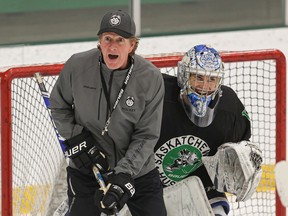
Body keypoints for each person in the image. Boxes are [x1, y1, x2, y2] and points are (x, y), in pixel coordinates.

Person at [50, 10, 167, 216]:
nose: (112, 46)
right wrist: (77, 138)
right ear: (99, 42)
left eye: (120, 40)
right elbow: (59, 106)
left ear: (132, 45)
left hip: (137, 172)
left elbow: (147, 134)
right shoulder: (77, 66)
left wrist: (123, 175)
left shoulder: (150, 78)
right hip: (86, 168)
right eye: (107, 39)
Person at [154, 44, 263, 215]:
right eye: (198, 77)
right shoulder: (157, 95)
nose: (204, 86)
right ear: (184, 75)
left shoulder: (229, 109)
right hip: (147, 186)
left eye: (211, 79)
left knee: (217, 210)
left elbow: (241, 147)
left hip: (197, 185)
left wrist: (244, 160)